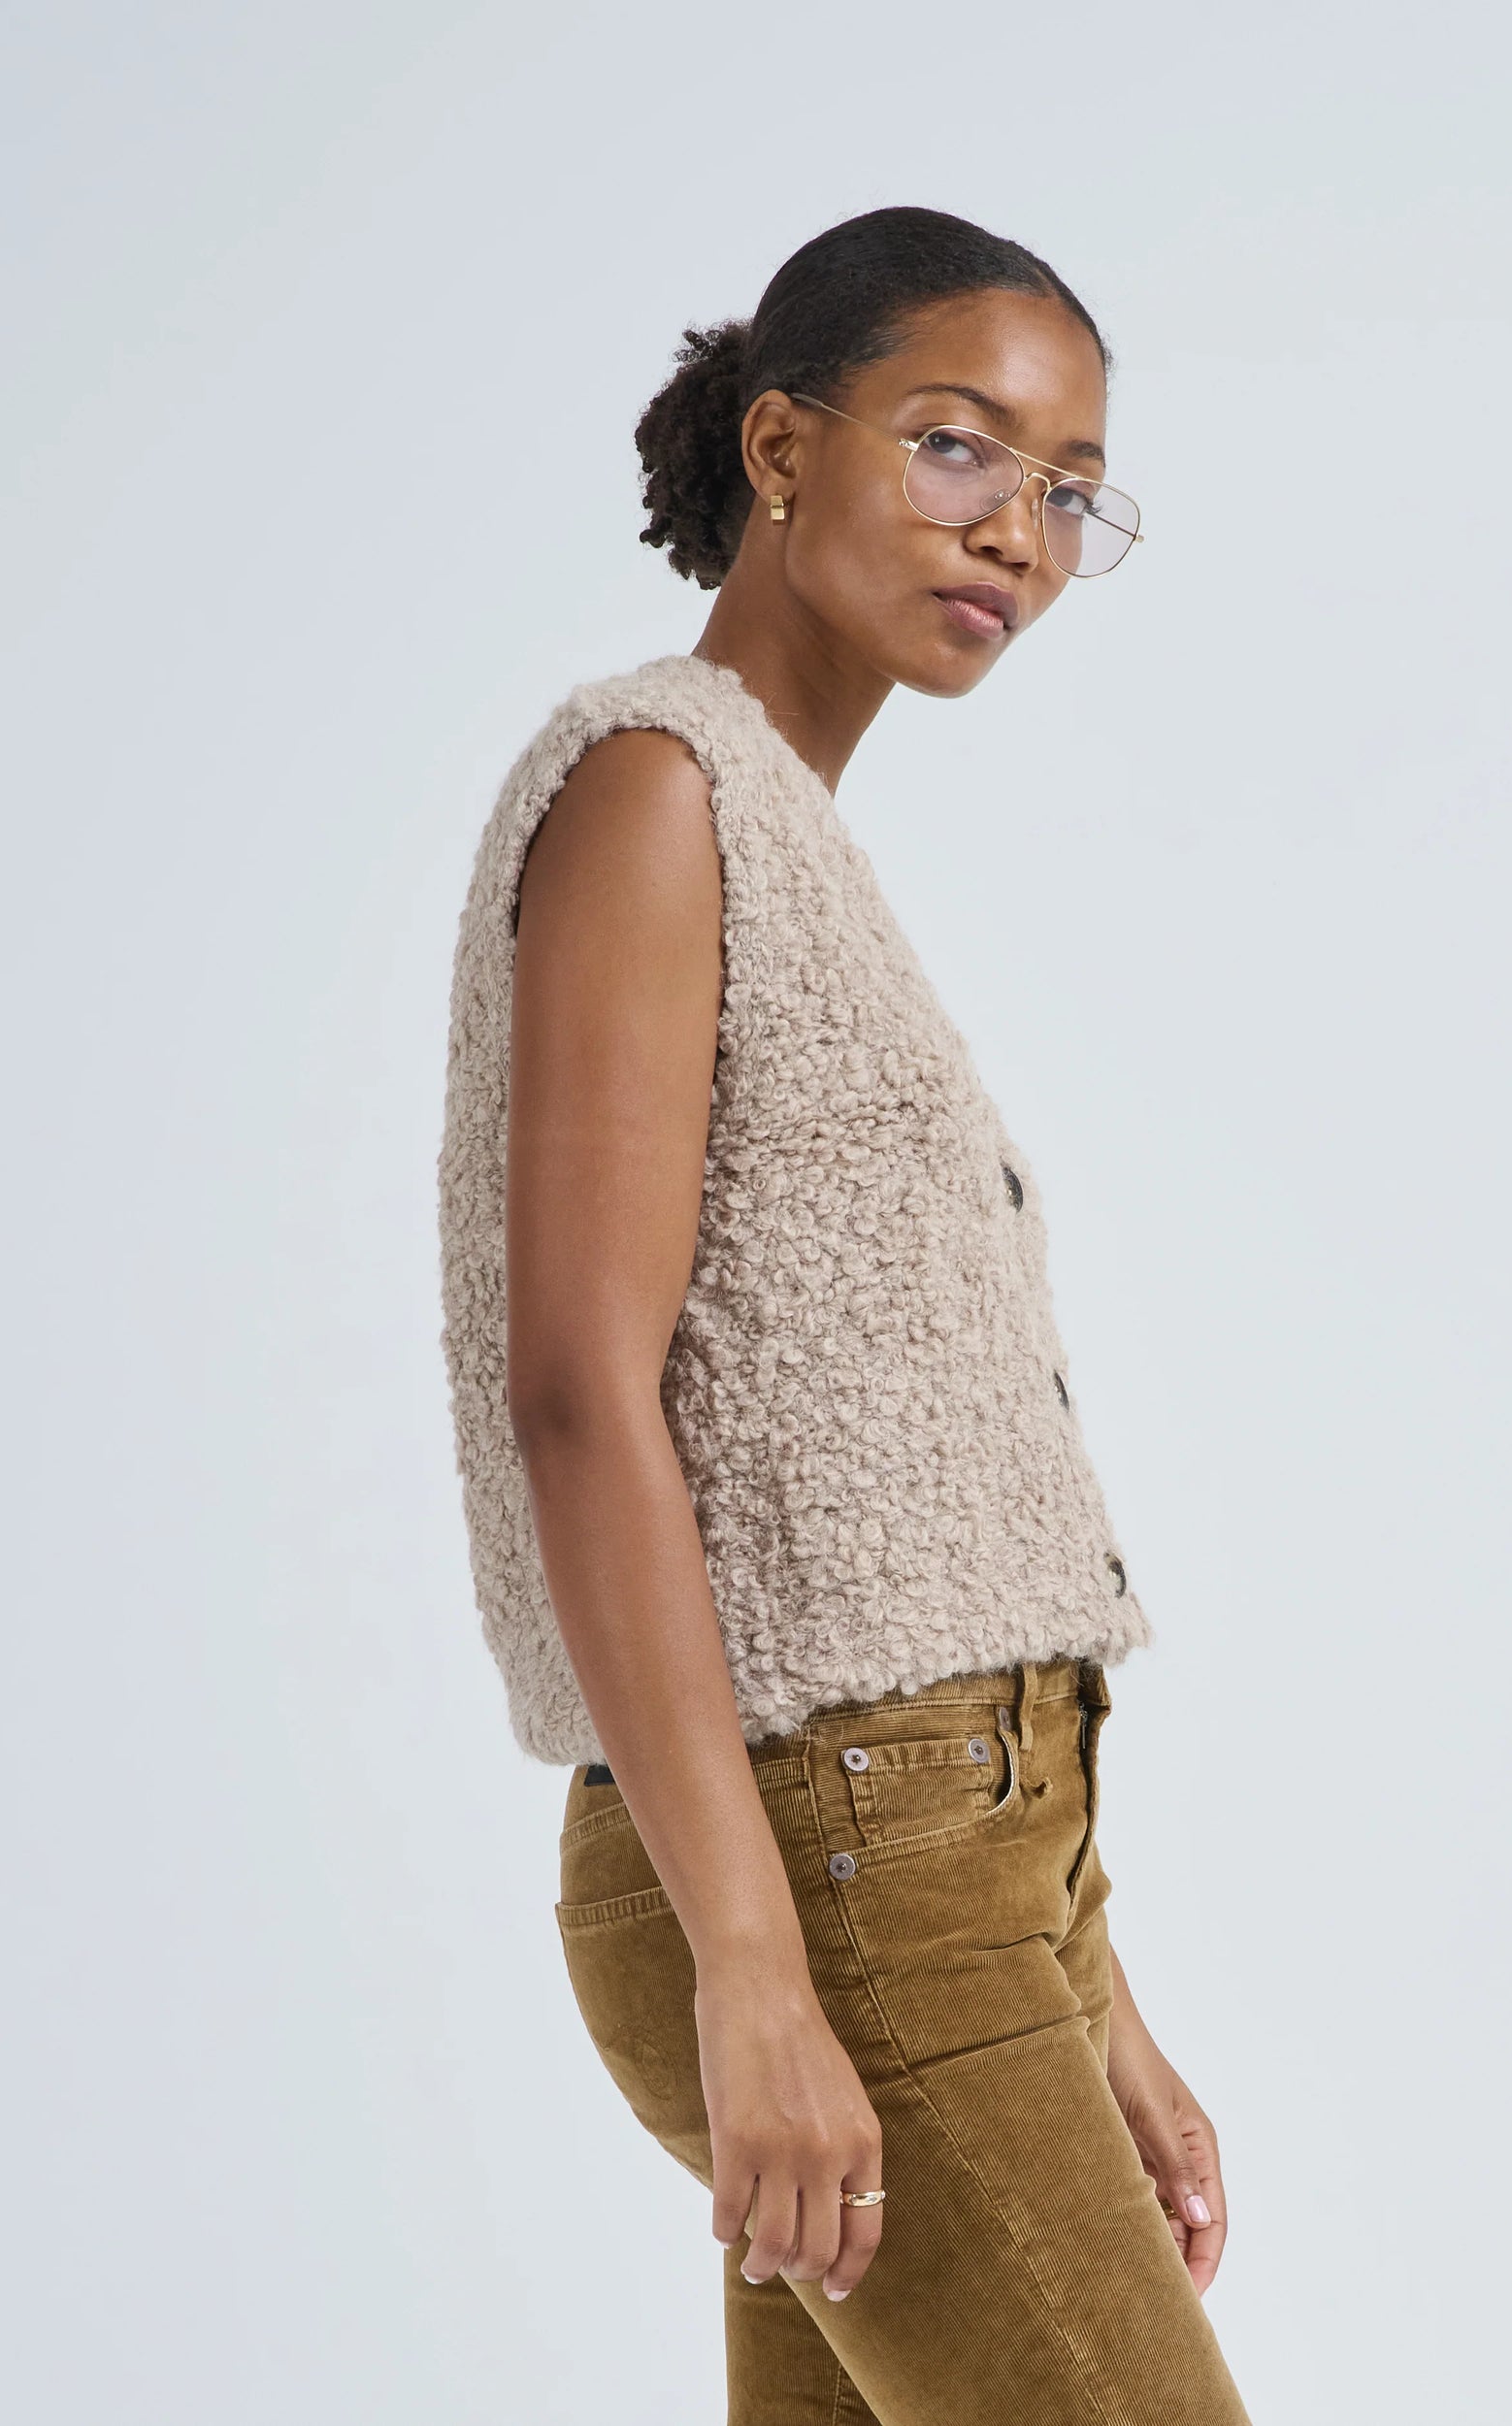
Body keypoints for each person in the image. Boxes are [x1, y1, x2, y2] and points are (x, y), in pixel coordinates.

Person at [437, 204, 1251, 2424]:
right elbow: (581, 1394)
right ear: (783, 448)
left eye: (1072, 492)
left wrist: (1088, 1976)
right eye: (962, 449)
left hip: (944, 1872)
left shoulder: (773, 829)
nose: (1023, 534)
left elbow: (874, 1504)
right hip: (837, 1874)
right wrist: (758, 1971)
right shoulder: (651, 787)